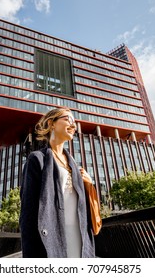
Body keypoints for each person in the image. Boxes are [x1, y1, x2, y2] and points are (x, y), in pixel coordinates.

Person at [19, 107, 96, 258]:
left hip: (80, 236)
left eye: (74, 122)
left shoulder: (74, 165)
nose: (73, 125)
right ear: (51, 123)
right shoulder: (37, 159)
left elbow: (84, 206)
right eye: (67, 119)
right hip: (52, 237)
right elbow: (28, 212)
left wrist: (89, 183)